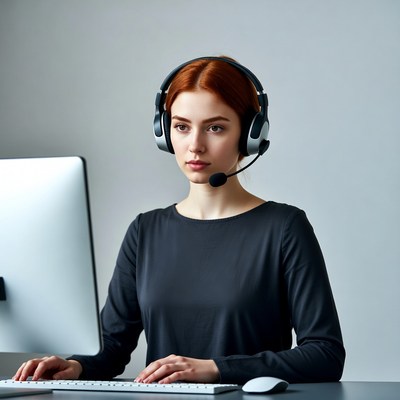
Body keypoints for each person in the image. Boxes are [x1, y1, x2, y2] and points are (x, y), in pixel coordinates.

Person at [13, 56, 345, 385]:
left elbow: (324, 354)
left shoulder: (284, 227)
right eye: (181, 127)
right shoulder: (145, 230)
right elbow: (112, 346)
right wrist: (75, 366)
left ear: (250, 135)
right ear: (164, 132)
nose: (195, 146)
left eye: (215, 128)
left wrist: (216, 368)